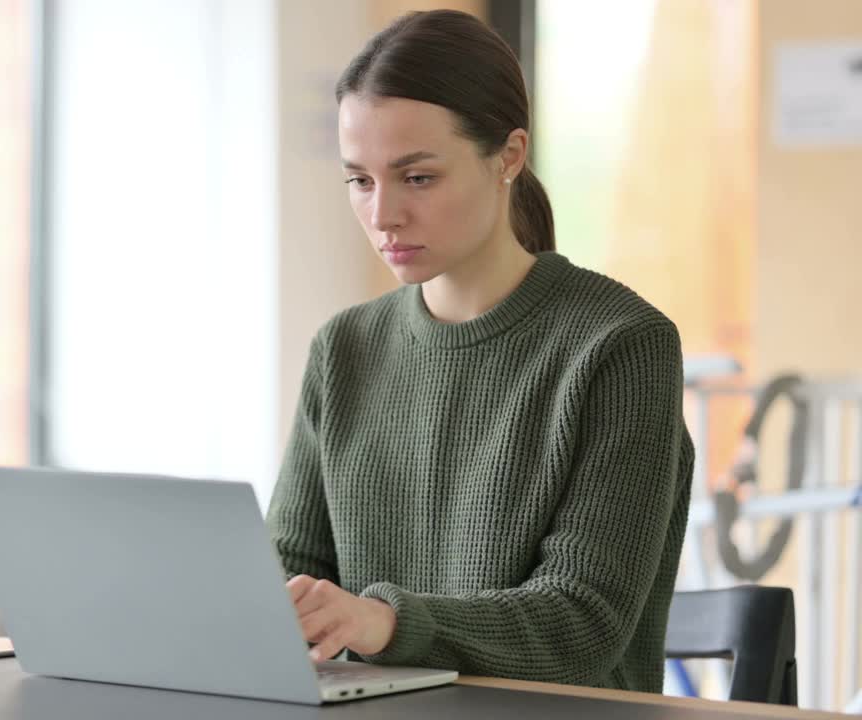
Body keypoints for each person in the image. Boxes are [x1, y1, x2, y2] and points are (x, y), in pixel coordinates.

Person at [266, 9, 694, 693]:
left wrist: (383, 622)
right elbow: (286, 578)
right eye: (360, 180)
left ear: (510, 156)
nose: (382, 215)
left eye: (418, 177)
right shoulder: (342, 349)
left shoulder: (621, 345)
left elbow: (579, 622)